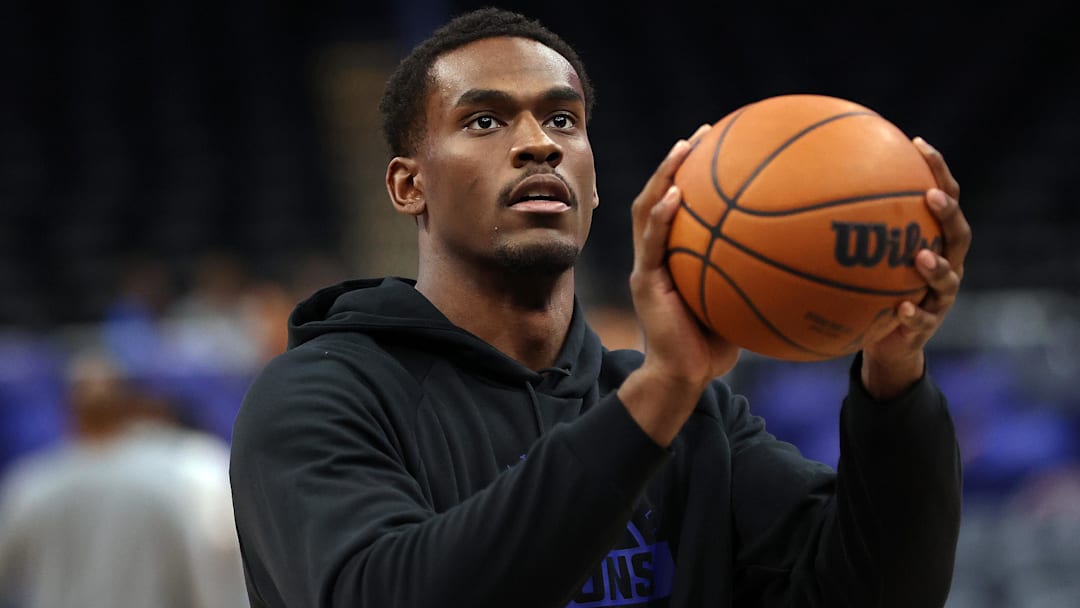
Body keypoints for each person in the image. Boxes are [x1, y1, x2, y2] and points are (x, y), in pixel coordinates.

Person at [229, 7, 971, 607]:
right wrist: (658, 396)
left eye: (563, 121)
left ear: (592, 183)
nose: (537, 145)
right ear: (407, 186)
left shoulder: (694, 420)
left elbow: (875, 592)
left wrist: (893, 374)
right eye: (485, 121)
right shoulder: (318, 395)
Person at [0, 351, 249, 608]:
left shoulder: (33, 484)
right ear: (128, 405)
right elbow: (210, 571)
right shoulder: (173, 479)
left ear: (68, 410)